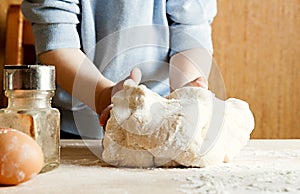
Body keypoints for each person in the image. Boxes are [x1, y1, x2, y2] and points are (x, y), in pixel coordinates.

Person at [21, 0, 217, 139]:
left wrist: (184, 94)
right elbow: (57, 39)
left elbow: (191, 29)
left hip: (161, 116)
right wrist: (102, 96)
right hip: (73, 128)